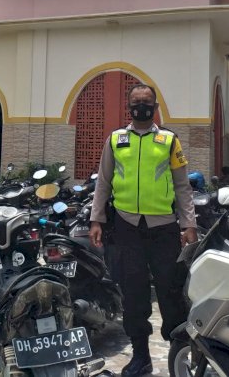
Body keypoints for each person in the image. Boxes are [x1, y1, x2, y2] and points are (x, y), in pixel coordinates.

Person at [89, 84, 197, 377]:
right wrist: (96, 219)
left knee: (171, 292)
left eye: (146, 102)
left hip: (163, 228)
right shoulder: (116, 140)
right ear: (129, 106)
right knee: (133, 295)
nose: (141, 107)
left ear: (155, 105)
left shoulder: (168, 140)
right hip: (125, 228)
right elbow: (104, 182)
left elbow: (182, 186)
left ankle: (181, 352)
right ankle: (141, 357)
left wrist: (188, 223)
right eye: (136, 102)